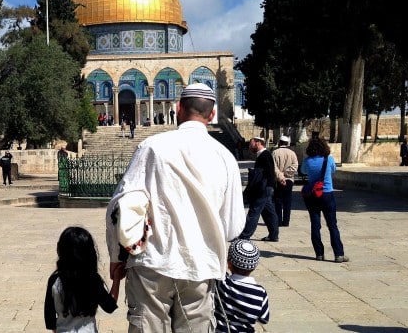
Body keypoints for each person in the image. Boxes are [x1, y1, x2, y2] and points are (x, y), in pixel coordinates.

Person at [106, 83, 246, 332]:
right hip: (200, 267)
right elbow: (233, 225)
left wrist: (117, 257)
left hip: (152, 265)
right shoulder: (225, 157)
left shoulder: (152, 147)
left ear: (178, 108)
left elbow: (120, 204)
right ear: (212, 114)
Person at [44, 226, 118, 332]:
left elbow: (50, 319)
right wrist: (117, 279)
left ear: (59, 249)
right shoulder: (92, 279)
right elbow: (109, 306)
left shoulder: (54, 281)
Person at [300, 137, 349, 263]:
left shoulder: (307, 161)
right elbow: (333, 170)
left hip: (312, 195)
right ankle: (338, 254)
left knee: (315, 225)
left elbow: (303, 171)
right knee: (332, 225)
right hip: (327, 193)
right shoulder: (329, 159)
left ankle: (319, 254)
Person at [214, 239, 270, 332]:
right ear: (254, 266)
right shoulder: (260, 292)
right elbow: (263, 319)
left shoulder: (223, 283)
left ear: (229, 263)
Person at [238, 136, 280, 242]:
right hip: (266, 187)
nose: (249, 146)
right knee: (269, 212)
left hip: (263, 188)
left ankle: (245, 235)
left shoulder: (265, 155)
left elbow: (267, 173)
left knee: (254, 211)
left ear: (258, 143)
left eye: (251, 144)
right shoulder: (263, 155)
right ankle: (273, 235)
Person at [272, 135, 298, 227]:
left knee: (278, 200)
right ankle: (286, 221)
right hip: (289, 179)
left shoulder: (275, 153)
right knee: (287, 201)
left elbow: (274, 167)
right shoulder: (292, 153)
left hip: (278, 180)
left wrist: (280, 176)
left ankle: (278, 221)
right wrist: (286, 173)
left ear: (279, 142)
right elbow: (295, 166)